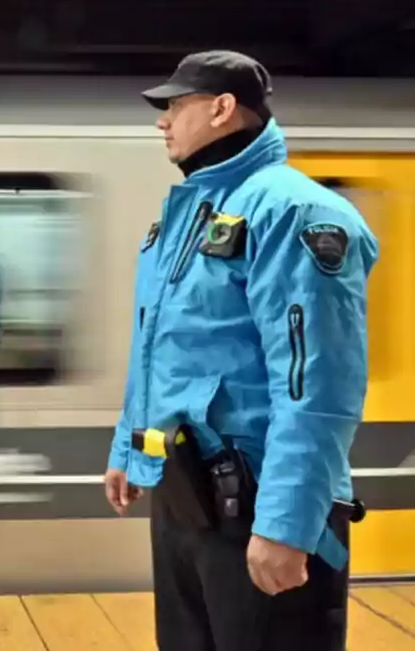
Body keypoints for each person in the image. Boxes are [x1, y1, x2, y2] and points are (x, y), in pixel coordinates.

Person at [103, 50, 379, 650]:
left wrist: (286, 524)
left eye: (175, 105)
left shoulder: (294, 213)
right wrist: (131, 444)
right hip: (187, 500)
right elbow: (160, 347)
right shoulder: (187, 215)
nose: (162, 121)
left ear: (223, 109)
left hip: (258, 503)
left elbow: (318, 385)